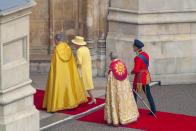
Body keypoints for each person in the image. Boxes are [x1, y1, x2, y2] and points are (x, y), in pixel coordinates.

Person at [43, 34, 87, 112]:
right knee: (69, 87)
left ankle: (57, 105)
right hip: (68, 72)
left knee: (58, 87)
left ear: (56, 40)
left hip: (59, 73)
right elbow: (72, 62)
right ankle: (71, 102)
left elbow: (55, 63)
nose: (54, 42)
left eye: (54, 40)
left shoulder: (56, 49)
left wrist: (53, 73)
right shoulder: (68, 48)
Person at [104, 52, 139, 126]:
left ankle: (116, 119)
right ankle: (128, 116)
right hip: (124, 90)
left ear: (111, 58)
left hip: (116, 90)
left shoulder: (112, 68)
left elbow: (110, 82)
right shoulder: (122, 64)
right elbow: (126, 77)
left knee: (116, 101)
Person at [131, 39, 156, 115]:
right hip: (146, 76)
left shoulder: (137, 58)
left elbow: (136, 70)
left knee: (134, 94)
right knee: (148, 94)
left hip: (139, 78)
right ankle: (153, 109)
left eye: (134, 46)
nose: (133, 47)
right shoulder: (146, 54)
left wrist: (131, 72)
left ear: (136, 47)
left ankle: (133, 110)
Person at [72, 36, 96, 104]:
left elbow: (79, 62)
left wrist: (75, 65)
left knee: (78, 85)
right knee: (88, 85)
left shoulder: (79, 51)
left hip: (82, 70)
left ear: (78, 44)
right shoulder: (86, 48)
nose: (74, 45)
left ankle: (77, 100)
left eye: (75, 44)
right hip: (87, 69)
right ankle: (93, 98)